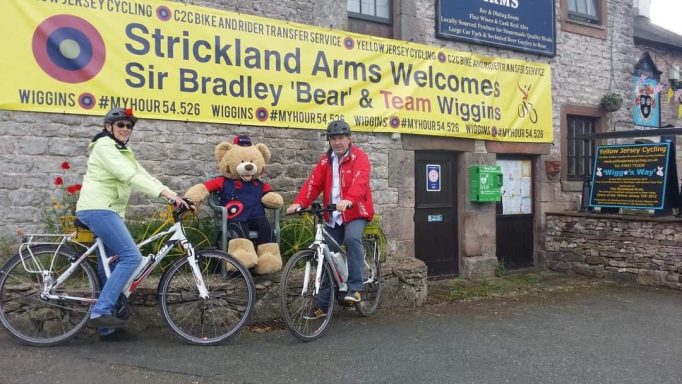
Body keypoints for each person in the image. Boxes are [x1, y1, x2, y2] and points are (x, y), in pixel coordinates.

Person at [76, 107, 188, 340]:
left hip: (109, 211)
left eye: (129, 126)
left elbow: (144, 175)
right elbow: (129, 176)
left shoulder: (122, 150)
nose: (125, 129)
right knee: (131, 257)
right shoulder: (105, 147)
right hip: (98, 209)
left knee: (109, 265)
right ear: (109, 127)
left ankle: (108, 330)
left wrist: (175, 195)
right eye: (121, 125)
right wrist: (164, 196)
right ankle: (100, 312)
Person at [286, 120, 374, 319]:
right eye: (333, 138)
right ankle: (323, 306)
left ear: (349, 138)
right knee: (325, 256)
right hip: (332, 214)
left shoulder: (360, 157)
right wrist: (299, 203)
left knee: (352, 240)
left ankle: (354, 288)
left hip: (354, 211)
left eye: (341, 138)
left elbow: (361, 182)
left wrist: (349, 200)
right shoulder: (326, 161)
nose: (337, 142)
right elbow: (313, 183)